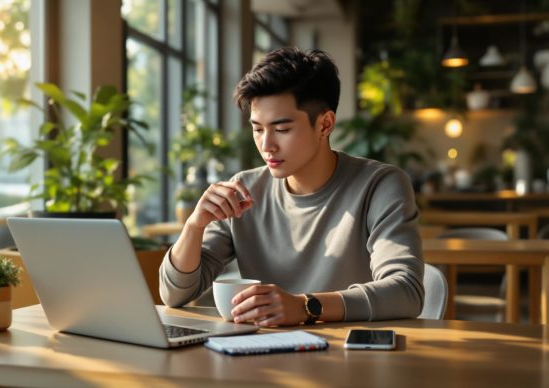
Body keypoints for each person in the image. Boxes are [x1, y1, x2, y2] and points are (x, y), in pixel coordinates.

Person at [159, 47, 424, 326]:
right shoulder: (243, 190)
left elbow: (406, 291)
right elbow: (174, 294)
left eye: (282, 129)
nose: (266, 145)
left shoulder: (379, 185)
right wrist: (194, 226)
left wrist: (305, 306)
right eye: (258, 129)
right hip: (262, 358)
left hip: (350, 356)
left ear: (325, 125)